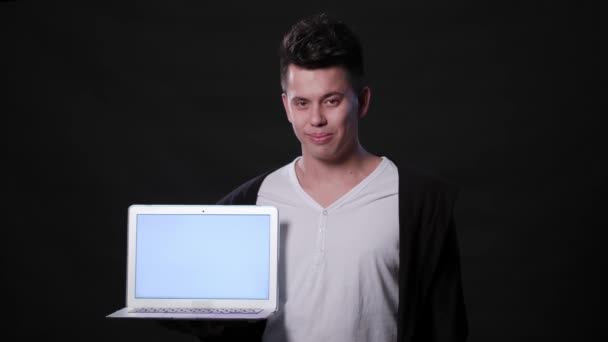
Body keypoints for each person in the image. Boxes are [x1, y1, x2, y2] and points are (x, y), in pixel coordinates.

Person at [166, 13, 468, 342]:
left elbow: (446, 327)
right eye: (302, 103)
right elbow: (212, 320)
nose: (316, 119)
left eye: (332, 101)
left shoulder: (419, 204)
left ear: (362, 101)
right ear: (286, 107)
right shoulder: (250, 202)